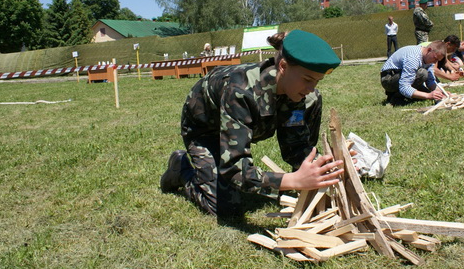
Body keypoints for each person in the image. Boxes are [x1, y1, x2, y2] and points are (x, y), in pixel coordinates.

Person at [160, 30, 344, 216]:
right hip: (205, 130)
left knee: (313, 99)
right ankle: (181, 169)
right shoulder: (240, 92)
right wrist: (294, 180)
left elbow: (296, 147)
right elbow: (235, 170)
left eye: (317, 81)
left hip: (235, 126)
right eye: (307, 79)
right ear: (282, 66)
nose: (311, 88)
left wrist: (325, 167)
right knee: (224, 206)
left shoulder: (301, 93)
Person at [380, 40, 447, 105]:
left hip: (399, 76)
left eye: (438, 60)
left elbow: (430, 80)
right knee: (422, 73)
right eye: (435, 58)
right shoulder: (413, 58)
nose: (435, 62)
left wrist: (442, 93)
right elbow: (404, 87)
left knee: (427, 93)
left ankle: (401, 95)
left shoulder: (428, 58)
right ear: (429, 50)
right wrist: (428, 95)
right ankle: (395, 97)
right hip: (388, 79)